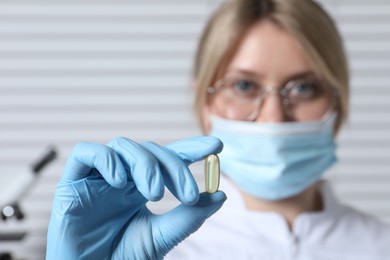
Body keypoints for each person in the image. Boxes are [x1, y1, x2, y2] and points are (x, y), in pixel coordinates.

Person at [46, 0, 390, 259]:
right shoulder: (154, 248)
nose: (273, 117)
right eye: (243, 86)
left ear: (337, 103)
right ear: (205, 103)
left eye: (303, 88)